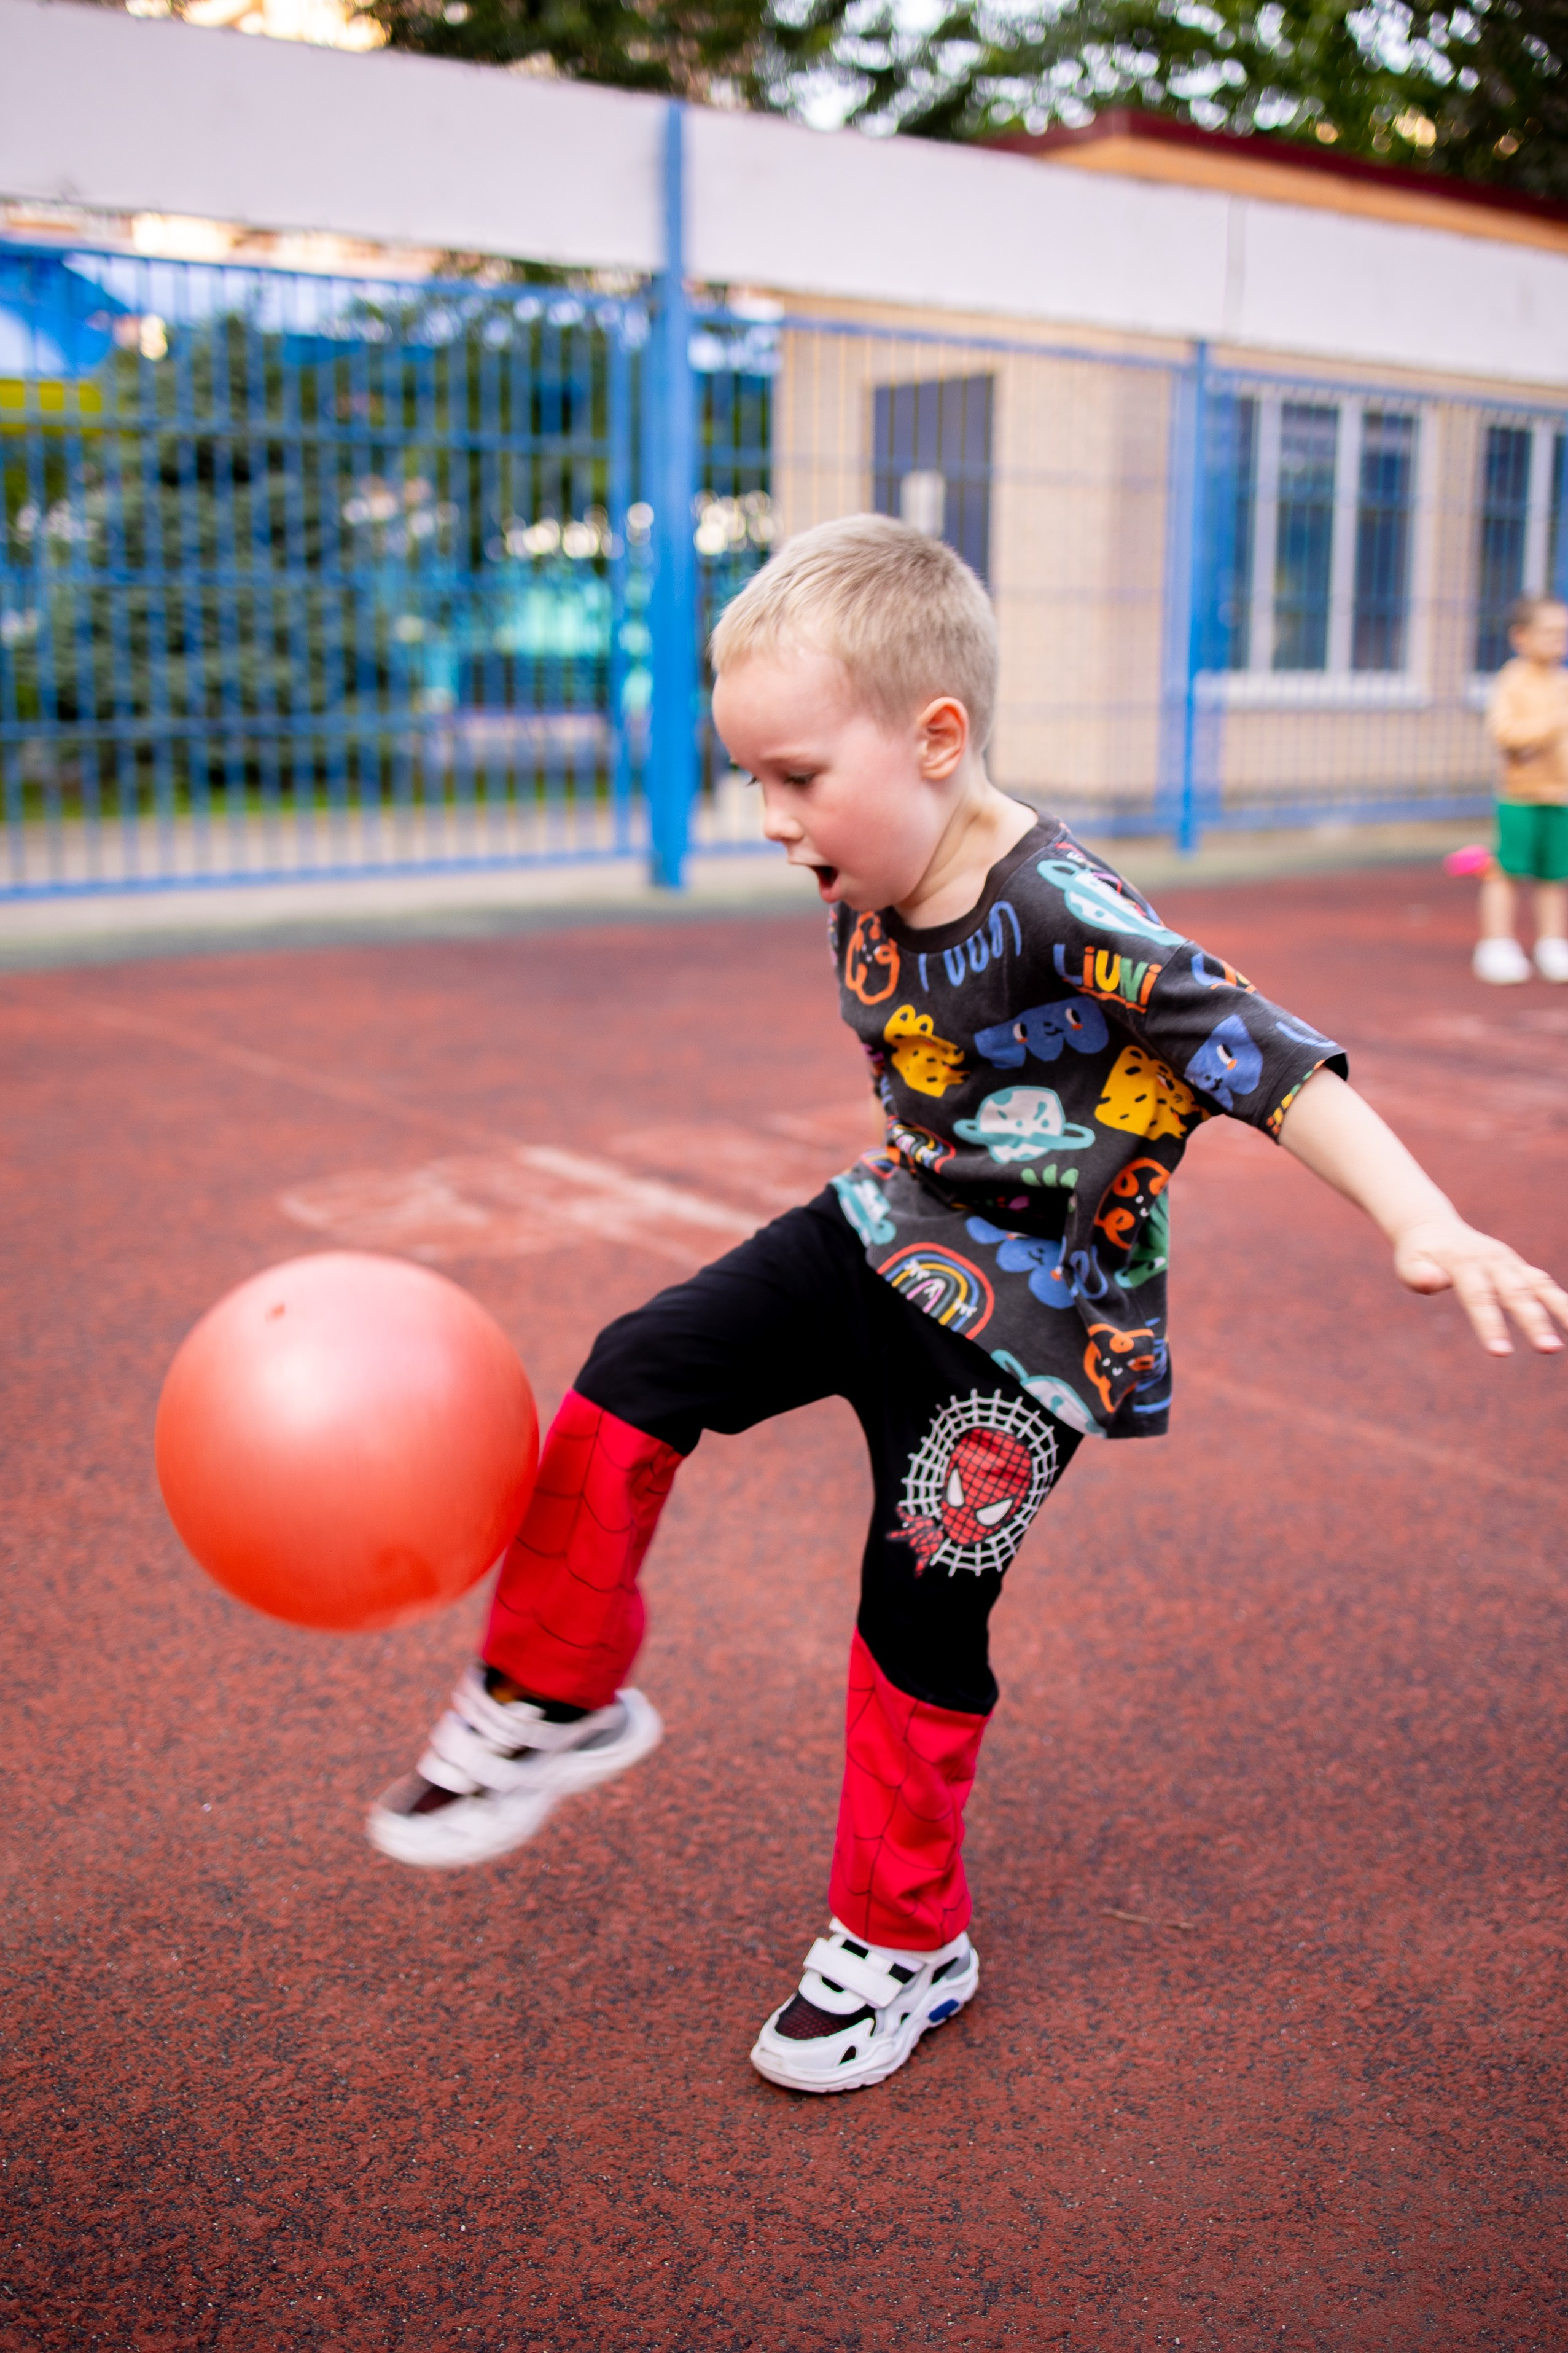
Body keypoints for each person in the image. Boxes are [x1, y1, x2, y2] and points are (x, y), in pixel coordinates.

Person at [367, 517, 1568, 2096]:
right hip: (883, 1230)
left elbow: (1263, 1055)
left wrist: (1420, 1218)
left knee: (913, 1606)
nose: (771, 819)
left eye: (796, 777)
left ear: (937, 739)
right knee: (631, 1371)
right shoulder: (868, 849)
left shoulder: (1068, 909)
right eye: (753, 781)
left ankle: (903, 1945)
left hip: (1031, 1328)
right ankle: (550, 1697)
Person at [1475, 593, 1568, 985]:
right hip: (1521, 796)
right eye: (1548, 632)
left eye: (1562, 633)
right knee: (1507, 870)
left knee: (1555, 874)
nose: (1558, 641)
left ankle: (1551, 942)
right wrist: (1553, 723)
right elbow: (1506, 734)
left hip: (1560, 796)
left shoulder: (1562, 681)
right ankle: (1497, 943)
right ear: (1521, 637)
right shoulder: (1513, 681)